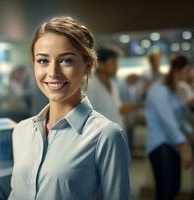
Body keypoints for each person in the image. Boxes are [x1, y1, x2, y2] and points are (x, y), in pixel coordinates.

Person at [8, 16, 130, 200]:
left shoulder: (106, 135)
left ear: (87, 66)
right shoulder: (21, 131)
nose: (53, 72)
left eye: (66, 61)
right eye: (43, 61)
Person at [145, 54, 194, 200]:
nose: (189, 75)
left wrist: (190, 132)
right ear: (177, 71)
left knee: (174, 188)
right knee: (166, 191)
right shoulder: (159, 89)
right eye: (187, 71)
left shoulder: (174, 89)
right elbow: (169, 121)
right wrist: (183, 145)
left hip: (171, 144)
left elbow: (178, 118)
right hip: (159, 144)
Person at [86, 47, 135, 127]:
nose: (116, 67)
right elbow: (87, 115)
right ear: (100, 64)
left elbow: (114, 109)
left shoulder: (113, 84)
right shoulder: (90, 86)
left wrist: (123, 109)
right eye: (113, 63)